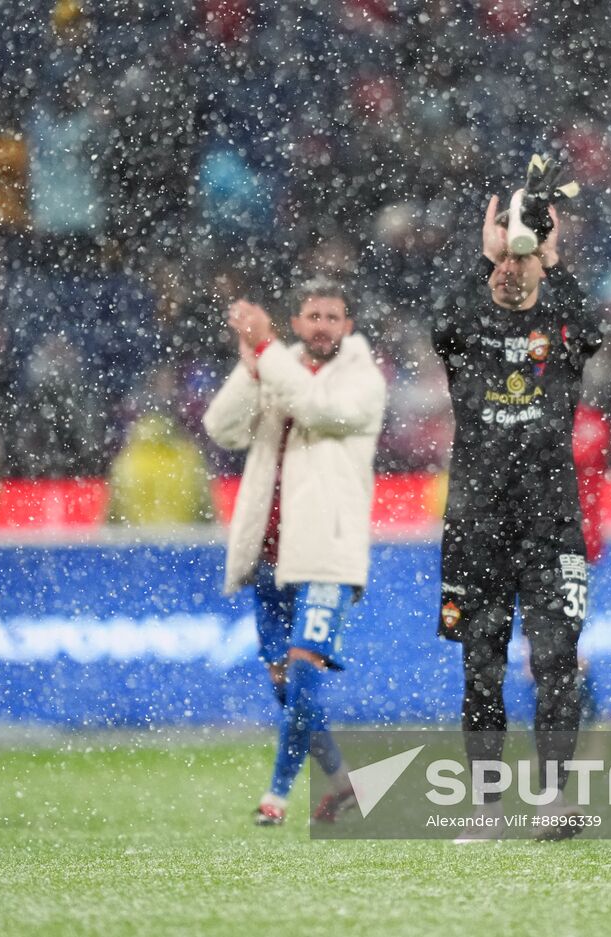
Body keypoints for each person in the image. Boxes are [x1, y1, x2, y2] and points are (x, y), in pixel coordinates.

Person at [432, 194, 602, 842]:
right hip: (477, 526)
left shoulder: (560, 331)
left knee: (558, 658)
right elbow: (441, 323)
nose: (511, 268)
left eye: (520, 259)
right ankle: (486, 808)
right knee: (481, 663)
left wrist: (551, 256)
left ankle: (554, 800)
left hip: (551, 523)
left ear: (539, 266)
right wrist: (485, 252)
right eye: (502, 259)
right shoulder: (468, 331)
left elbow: (591, 326)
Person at [203, 276, 386, 826]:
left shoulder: (363, 380)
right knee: (285, 684)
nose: (323, 326)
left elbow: (318, 411)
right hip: (270, 554)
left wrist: (266, 352)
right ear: (298, 324)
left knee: (303, 671)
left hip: (326, 552)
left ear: (348, 326)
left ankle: (276, 797)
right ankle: (346, 783)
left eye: (333, 317)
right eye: (313, 316)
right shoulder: (277, 367)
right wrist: (249, 363)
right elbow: (221, 427)